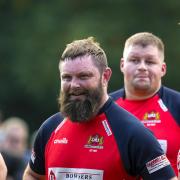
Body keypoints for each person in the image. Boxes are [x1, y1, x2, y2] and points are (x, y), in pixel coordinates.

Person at [23, 37, 177, 180]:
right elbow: (33, 175)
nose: (74, 85)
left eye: (84, 76)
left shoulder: (134, 133)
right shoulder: (50, 128)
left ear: (105, 76)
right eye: (67, 77)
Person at [110, 32, 180, 176]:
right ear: (122, 64)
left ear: (163, 69)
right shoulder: (105, 108)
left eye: (150, 62)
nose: (142, 67)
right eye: (134, 60)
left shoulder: (177, 106)